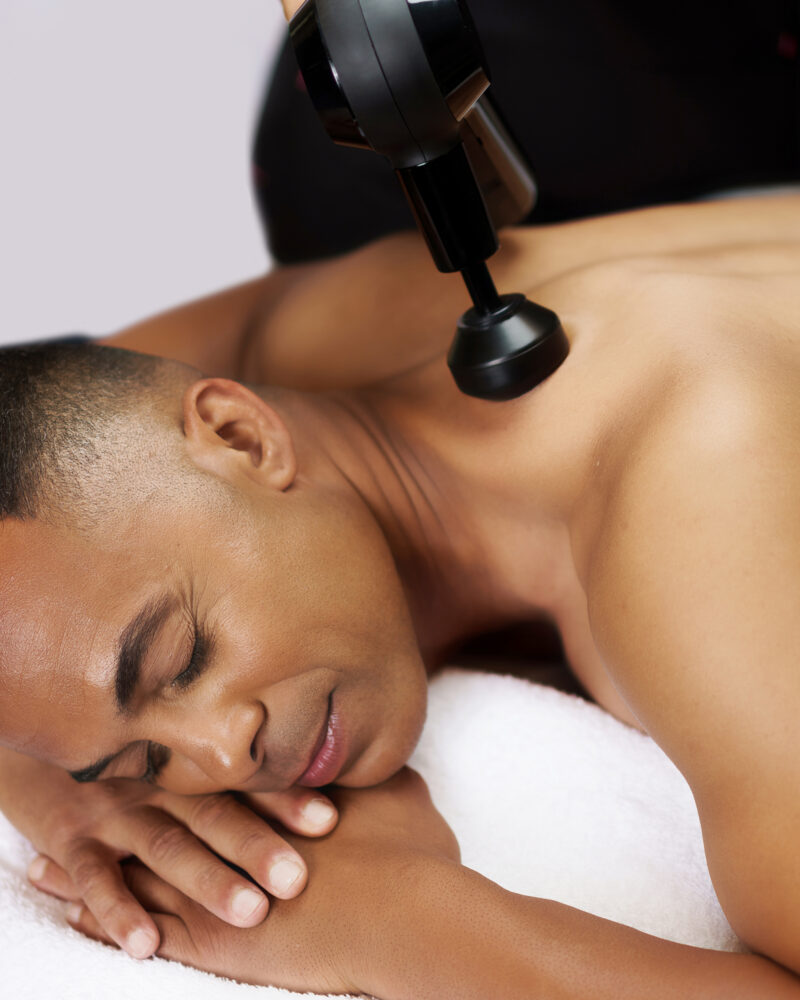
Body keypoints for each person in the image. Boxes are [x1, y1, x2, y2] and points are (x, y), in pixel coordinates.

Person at [1, 192, 800, 998]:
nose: (222, 757)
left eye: (183, 659)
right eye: (146, 761)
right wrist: (65, 792)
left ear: (244, 436)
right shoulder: (288, 346)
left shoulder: (697, 532)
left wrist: (395, 922)